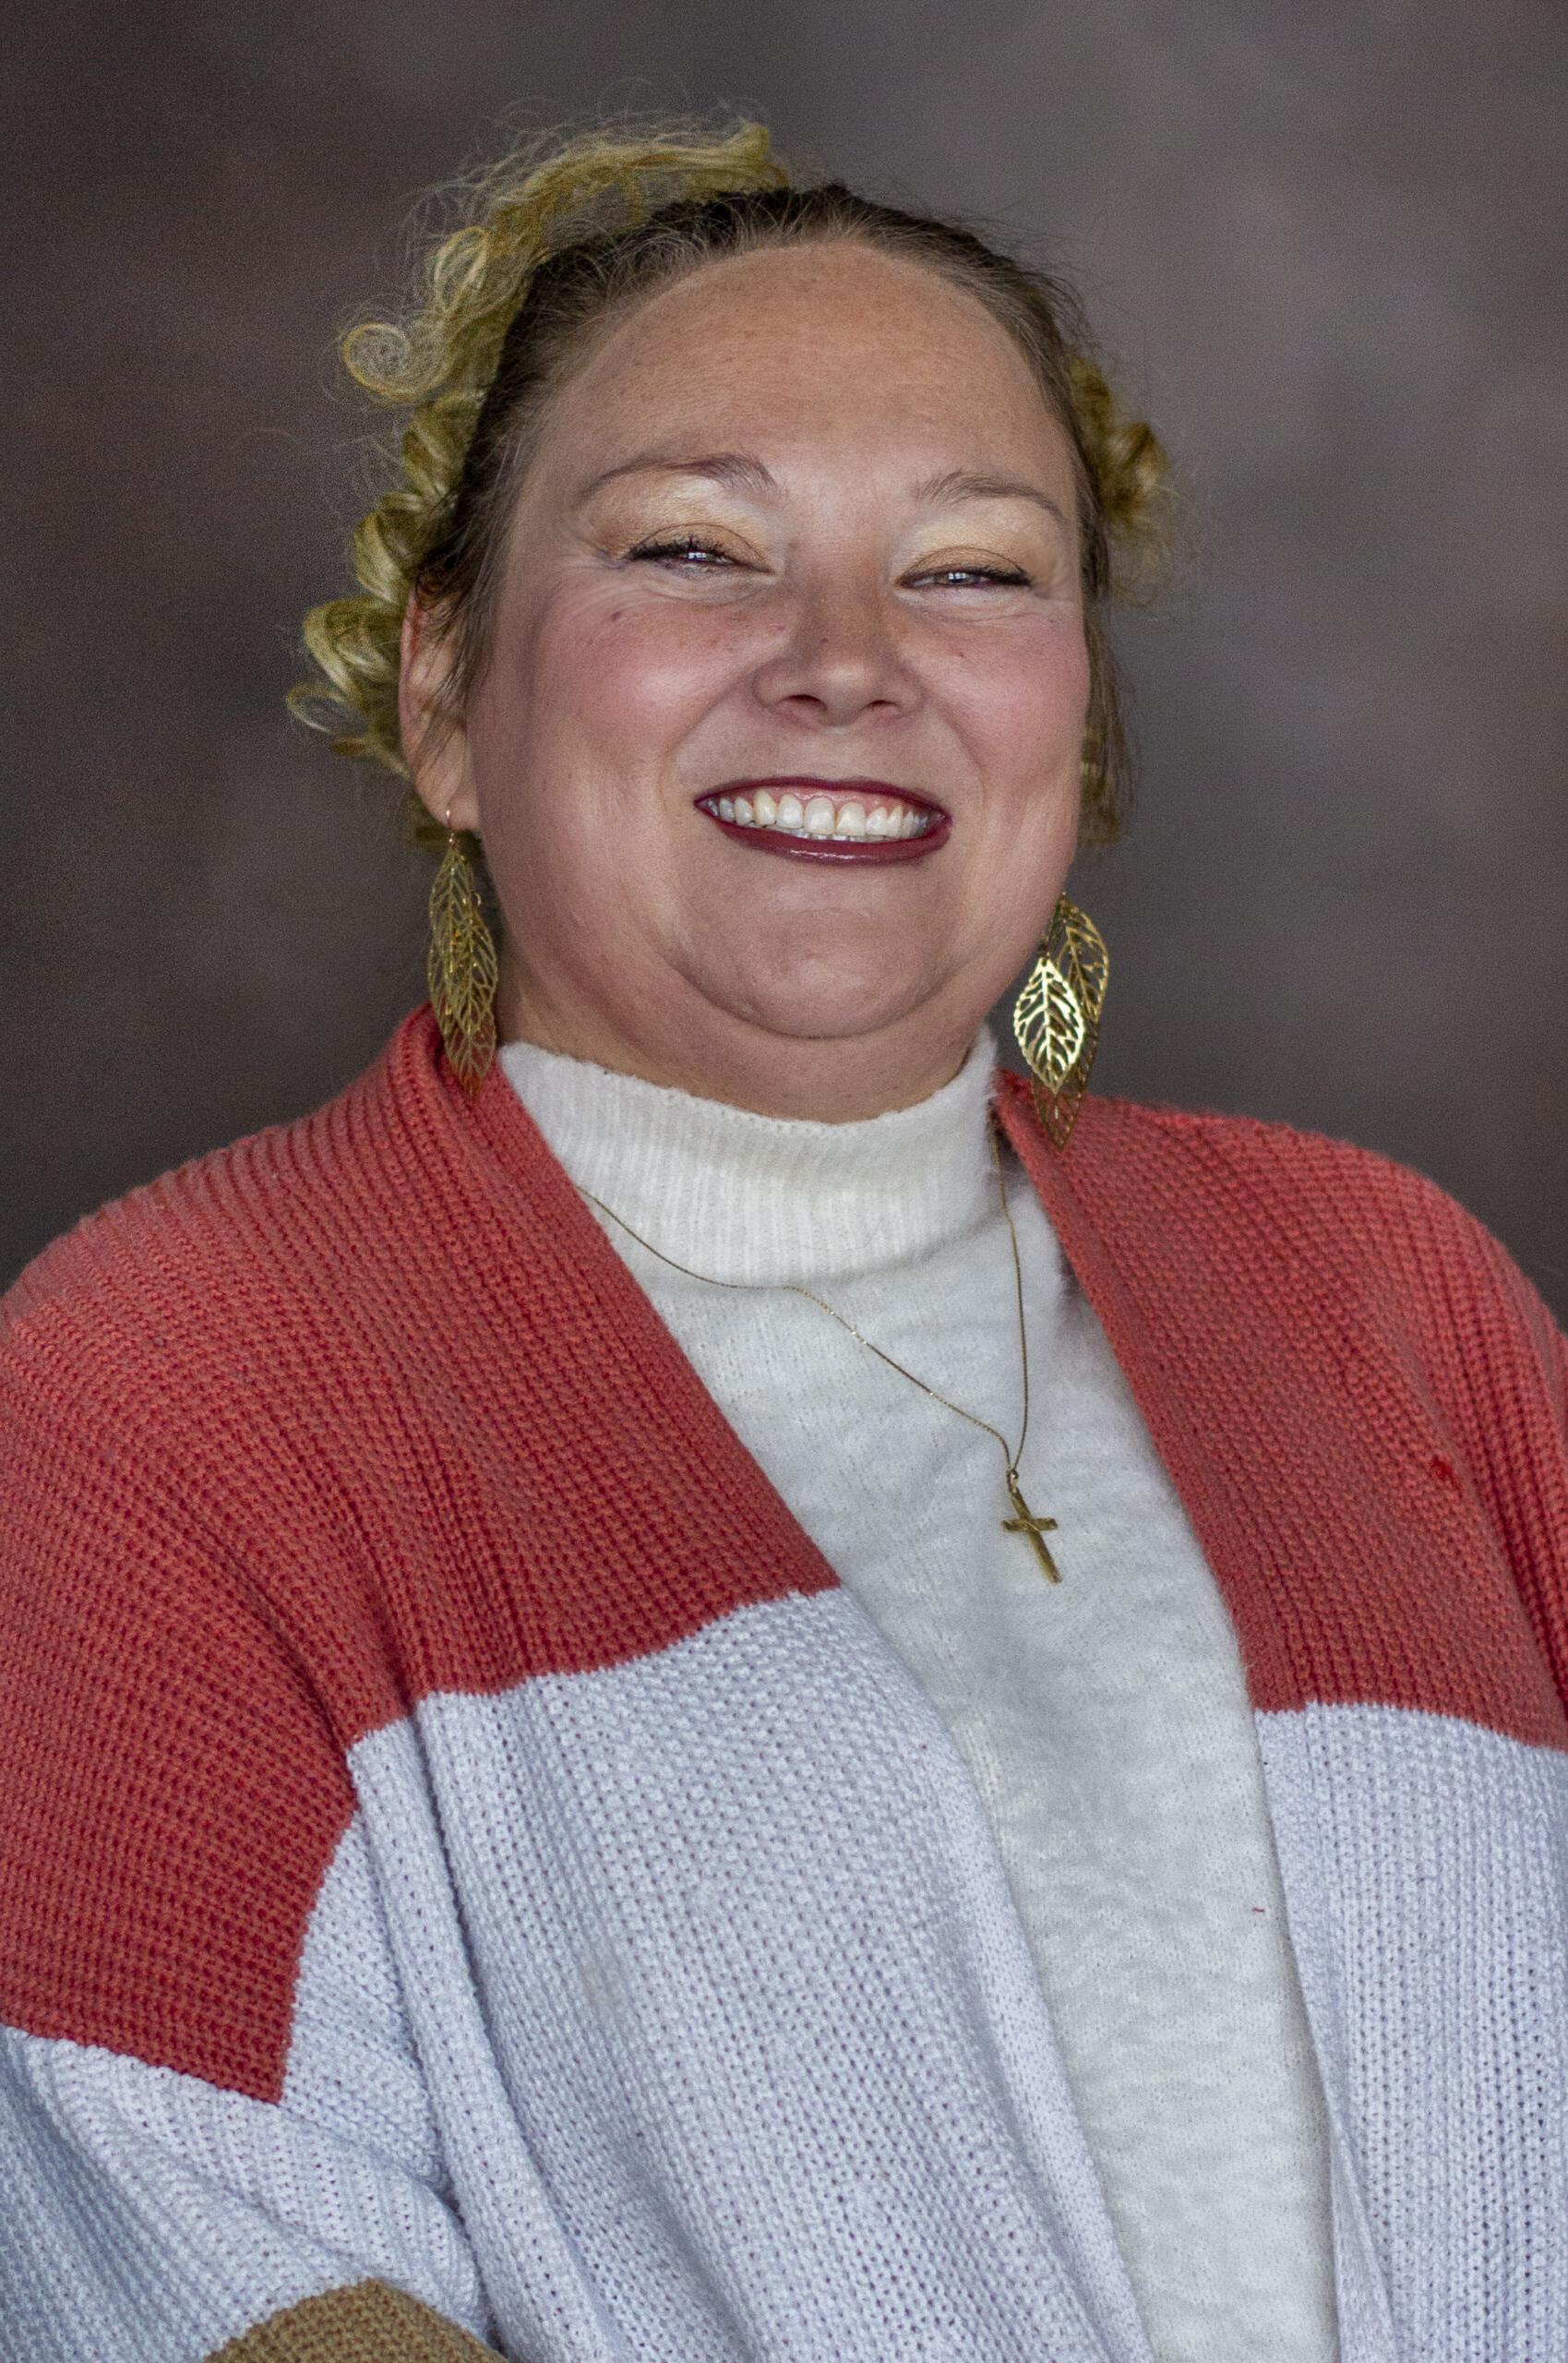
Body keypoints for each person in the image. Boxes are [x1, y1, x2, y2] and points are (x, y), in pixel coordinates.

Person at [0, 119, 1562, 2363]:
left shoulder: (1387, 1290)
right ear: (445, 694)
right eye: (694, 548)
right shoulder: (167, 1387)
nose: (844, 660)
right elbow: (184, 2239)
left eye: (973, 570)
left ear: (1077, 716)